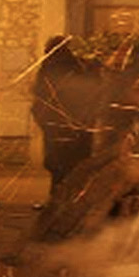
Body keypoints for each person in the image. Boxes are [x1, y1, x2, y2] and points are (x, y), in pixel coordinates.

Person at [31, 36, 102, 193]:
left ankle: (58, 194)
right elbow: (88, 89)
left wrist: (43, 119)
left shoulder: (49, 66)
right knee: (73, 162)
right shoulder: (73, 66)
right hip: (74, 122)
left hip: (57, 123)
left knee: (58, 163)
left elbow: (40, 93)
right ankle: (69, 195)